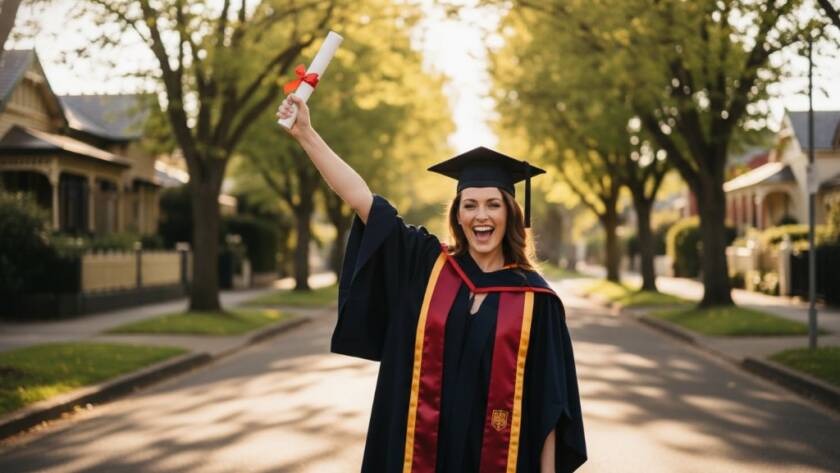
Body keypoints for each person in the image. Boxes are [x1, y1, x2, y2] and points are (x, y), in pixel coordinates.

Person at [276, 94, 586, 473]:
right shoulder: (428, 264)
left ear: (510, 212)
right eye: (469, 204)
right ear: (457, 213)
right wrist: (307, 134)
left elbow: (550, 407)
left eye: (493, 204)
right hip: (417, 455)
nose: (481, 215)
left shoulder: (536, 300)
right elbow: (363, 200)